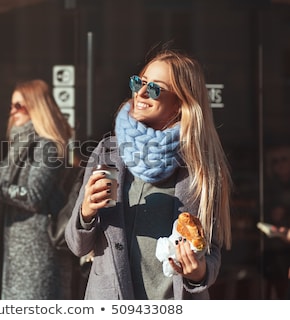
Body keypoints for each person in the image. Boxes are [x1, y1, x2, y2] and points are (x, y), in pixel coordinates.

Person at [65, 48, 232, 299]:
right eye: (138, 83)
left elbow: (212, 252)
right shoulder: (109, 151)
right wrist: (86, 212)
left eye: (154, 88)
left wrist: (198, 272)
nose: (140, 93)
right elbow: (77, 245)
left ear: (180, 103)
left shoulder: (201, 166)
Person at [0, 79, 73, 299]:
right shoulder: (17, 146)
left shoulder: (47, 146)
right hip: (13, 253)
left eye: (18, 105)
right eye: (11, 105)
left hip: (36, 255)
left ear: (36, 106)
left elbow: (33, 196)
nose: (12, 111)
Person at [262, 144, 290, 299]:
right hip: (273, 249)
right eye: (275, 161)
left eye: (284, 160)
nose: (279, 165)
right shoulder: (269, 187)